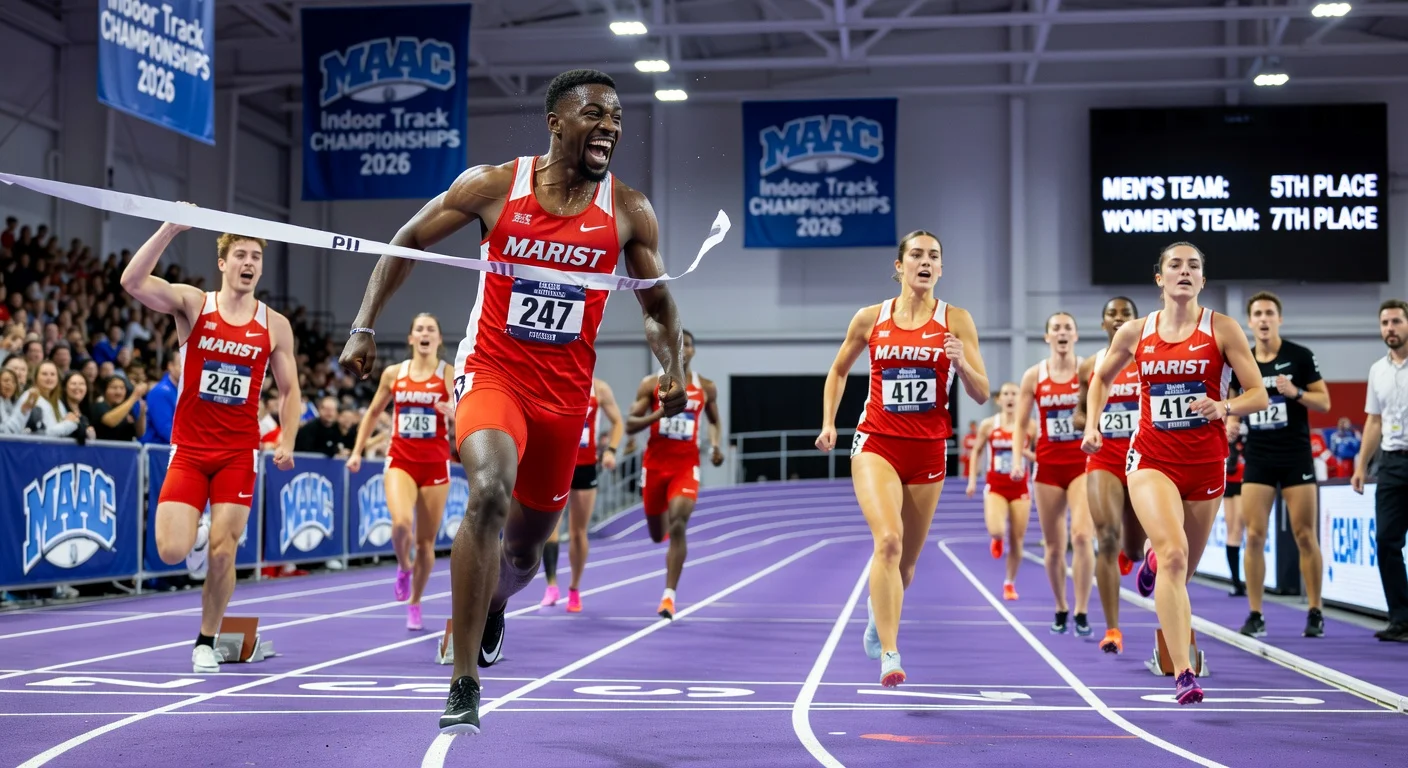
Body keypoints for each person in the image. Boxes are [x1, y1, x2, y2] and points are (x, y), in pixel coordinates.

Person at [337, 69, 691, 735]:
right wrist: (363, 325)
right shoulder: (494, 187)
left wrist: (672, 365)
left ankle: (495, 602)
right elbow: (407, 240)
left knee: (525, 554)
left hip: (564, 399)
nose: (610, 126)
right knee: (489, 491)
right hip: (492, 374)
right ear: (556, 123)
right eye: (595, 114)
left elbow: (658, 307)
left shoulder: (628, 210)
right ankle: (463, 678)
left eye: (617, 117)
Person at [1083, 242, 1266, 704]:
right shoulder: (1136, 331)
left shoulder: (1222, 329)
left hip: (1205, 467)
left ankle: (1150, 560)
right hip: (1151, 460)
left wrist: (1224, 406)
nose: (1184, 271)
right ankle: (1184, 671)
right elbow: (1101, 378)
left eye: (1194, 266)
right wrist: (1091, 424)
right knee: (1175, 555)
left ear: (1203, 280)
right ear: (1159, 278)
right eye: (1175, 265)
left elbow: (1259, 394)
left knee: (1179, 573)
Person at [121, 223, 301, 674]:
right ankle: (197, 535)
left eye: (256, 257)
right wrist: (169, 229)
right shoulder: (194, 304)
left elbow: (290, 389)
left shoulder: (274, 325)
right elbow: (132, 282)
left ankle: (206, 639)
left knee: (225, 551)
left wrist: (287, 437)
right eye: (240, 255)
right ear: (223, 263)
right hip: (189, 449)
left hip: (238, 453)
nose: (248, 263)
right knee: (170, 551)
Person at [816, 230, 989, 688]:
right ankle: (890, 654)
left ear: (941, 269)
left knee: (906, 565)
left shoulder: (957, 320)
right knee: (888, 541)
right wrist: (829, 422)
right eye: (916, 254)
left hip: (928, 450)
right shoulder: (870, 318)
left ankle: (878, 614)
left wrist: (962, 363)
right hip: (876, 442)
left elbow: (982, 392)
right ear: (900, 266)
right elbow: (838, 370)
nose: (924, 262)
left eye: (933, 256)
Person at [1222, 292, 1331, 638]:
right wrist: (1232, 421)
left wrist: (1296, 392)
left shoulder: (1299, 356)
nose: (1264, 319)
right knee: (1254, 535)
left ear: (1279, 319)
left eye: (1269, 313)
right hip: (1259, 457)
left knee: (1304, 534)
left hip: (1296, 455)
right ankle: (1256, 613)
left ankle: (1315, 610)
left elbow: (1324, 402)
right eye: (1257, 314)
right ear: (1250, 321)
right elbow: (1231, 403)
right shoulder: (1242, 359)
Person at [346, 313, 456, 631]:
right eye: (419, 329)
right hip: (400, 460)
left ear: (438, 339)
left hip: (435, 464)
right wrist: (356, 451)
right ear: (411, 338)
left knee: (425, 543)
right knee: (401, 524)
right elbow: (372, 413)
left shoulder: (448, 373)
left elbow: (464, 413)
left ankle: (415, 602)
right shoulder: (394, 373)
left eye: (431, 329)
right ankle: (404, 566)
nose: (425, 333)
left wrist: (455, 412)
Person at [626, 330, 724, 619]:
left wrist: (715, 446)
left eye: (688, 345)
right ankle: (667, 528)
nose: (684, 350)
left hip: (685, 466)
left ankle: (669, 596)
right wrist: (659, 414)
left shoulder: (706, 387)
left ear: (693, 351)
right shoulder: (651, 384)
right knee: (658, 534)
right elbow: (630, 423)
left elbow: (714, 421)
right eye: (678, 345)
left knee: (679, 522)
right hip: (655, 467)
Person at [1012, 313, 1094, 637]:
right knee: (1054, 546)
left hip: (1082, 464)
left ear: (1075, 335)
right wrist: (1017, 459)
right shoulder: (1034, 376)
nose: (1062, 333)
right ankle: (1061, 606)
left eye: (1067, 328)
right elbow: (1020, 425)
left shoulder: (1088, 370)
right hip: (1047, 467)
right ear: (1047, 337)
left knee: (1082, 536)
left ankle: (1082, 610)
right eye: (1056, 328)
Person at [1076, 296, 1146, 654]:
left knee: (1134, 549)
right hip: (1104, 458)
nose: (1119, 319)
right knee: (1105, 538)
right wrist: (1090, 425)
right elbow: (1078, 413)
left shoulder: (1150, 359)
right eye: (1112, 314)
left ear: (1136, 321)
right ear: (1103, 323)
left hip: (1144, 458)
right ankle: (1113, 630)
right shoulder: (1092, 365)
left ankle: (1129, 555)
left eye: (1125, 314)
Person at [540, 376, 624, 613]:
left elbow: (618, 422)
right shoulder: (553, 381)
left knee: (578, 532)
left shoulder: (600, 388)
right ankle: (551, 586)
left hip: (585, 467)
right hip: (556, 465)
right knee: (550, 530)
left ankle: (574, 589)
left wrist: (611, 450)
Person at [1350, 299, 1408, 643]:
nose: (1390, 328)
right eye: (1385, 323)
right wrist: (1361, 465)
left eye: (1396, 321)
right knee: (1386, 540)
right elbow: (1374, 421)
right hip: (1391, 463)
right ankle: (1401, 619)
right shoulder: (1377, 370)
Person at [965, 382, 1033, 600]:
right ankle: (997, 538)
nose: (1010, 397)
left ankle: (1009, 583)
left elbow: (1043, 455)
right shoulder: (988, 425)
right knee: (996, 530)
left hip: (1020, 488)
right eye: (1006, 394)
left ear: (1021, 398)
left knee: (1017, 540)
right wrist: (972, 481)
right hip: (996, 486)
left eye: (1015, 394)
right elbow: (976, 452)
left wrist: (1025, 453)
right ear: (999, 399)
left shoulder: (1030, 427)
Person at [1224, 420, 1247, 597]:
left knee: (1238, 529)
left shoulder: (1247, 421)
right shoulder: (1226, 417)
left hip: (1243, 479)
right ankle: (1236, 581)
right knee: (1232, 530)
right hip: (1228, 478)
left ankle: (1240, 581)